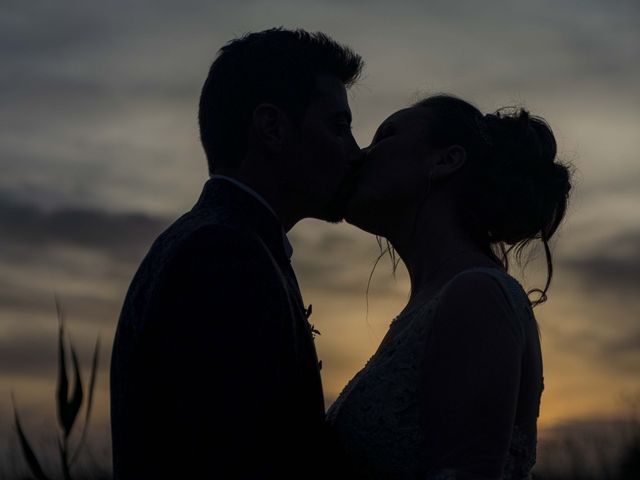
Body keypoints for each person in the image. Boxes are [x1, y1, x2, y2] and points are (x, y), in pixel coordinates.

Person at [110, 28, 364, 479]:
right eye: (339, 126)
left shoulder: (217, 241)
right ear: (273, 129)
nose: (355, 151)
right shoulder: (222, 256)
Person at [326, 95, 573, 479]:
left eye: (385, 136)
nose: (359, 156)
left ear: (446, 161)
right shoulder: (434, 304)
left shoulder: (477, 296)